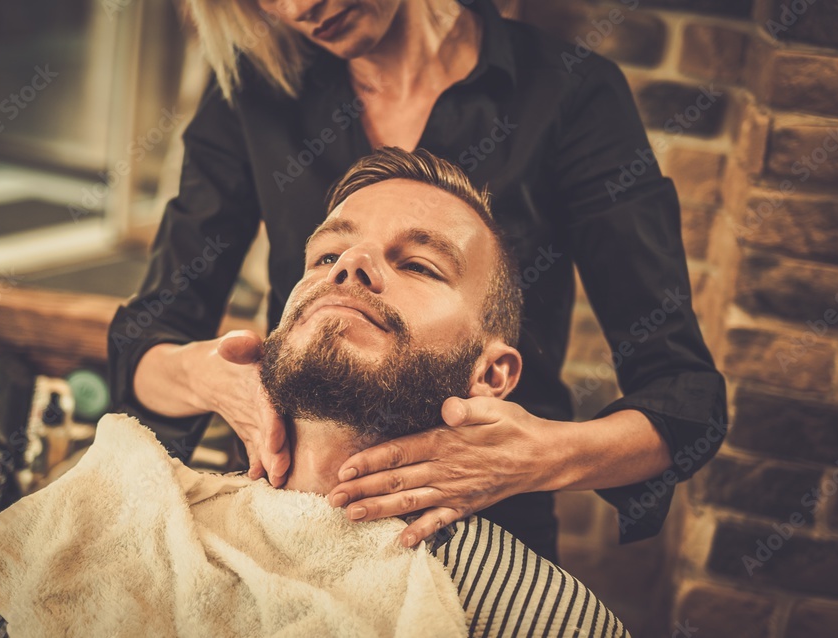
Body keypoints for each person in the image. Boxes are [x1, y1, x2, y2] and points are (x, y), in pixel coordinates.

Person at [0, 148, 631, 637]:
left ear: (491, 376)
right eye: (328, 253)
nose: (352, 267)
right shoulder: (102, 506)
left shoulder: (534, 611)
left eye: (422, 265)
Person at [108, 0, 728, 563]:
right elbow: (148, 339)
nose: (299, 8)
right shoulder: (255, 86)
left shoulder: (567, 93)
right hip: (285, 507)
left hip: (488, 528)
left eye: (420, 265)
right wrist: (213, 378)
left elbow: (685, 400)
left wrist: (536, 456)